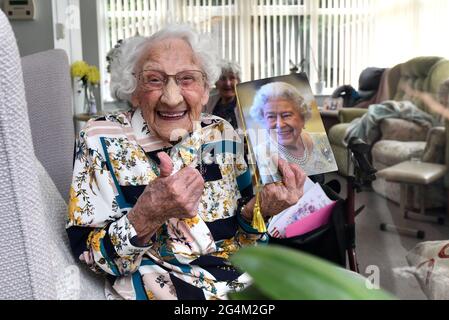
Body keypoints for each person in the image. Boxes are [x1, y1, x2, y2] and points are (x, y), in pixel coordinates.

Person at [66, 25, 306, 300]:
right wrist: (146, 216)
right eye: (154, 79)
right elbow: (89, 256)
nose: (171, 97)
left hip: (237, 284)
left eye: (187, 79)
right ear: (133, 89)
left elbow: (244, 240)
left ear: (205, 90)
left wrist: (260, 210)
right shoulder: (100, 139)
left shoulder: (221, 133)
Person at [249, 82, 335, 184]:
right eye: (271, 116)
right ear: (263, 120)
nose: (280, 124)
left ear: (302, 118)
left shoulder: (320, 140)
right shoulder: (262, 154)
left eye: (286, 115)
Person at [203, 59, 241, 129]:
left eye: (232, 78)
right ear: (216, 83)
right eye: (223, 78)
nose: (227, 83)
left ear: (238, 81)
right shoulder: (207, 102)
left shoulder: (245, 103)